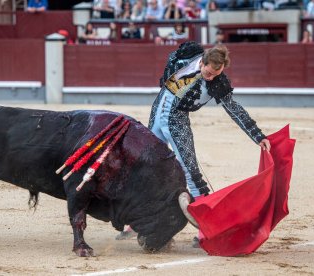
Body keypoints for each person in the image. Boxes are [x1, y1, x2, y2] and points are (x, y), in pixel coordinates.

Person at [116, 41, 271, 241]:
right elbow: (168, 67)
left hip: (177, 119)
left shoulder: (218, 82)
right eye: (209, 73)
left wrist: (257, 135)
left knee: (190, 171)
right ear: (202, 62)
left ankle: (206, 229)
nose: (212, 77)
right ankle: (135, 222)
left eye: (216, 74)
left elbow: (234, 108)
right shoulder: (186, 57)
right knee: (145, 167)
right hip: (158, 110)